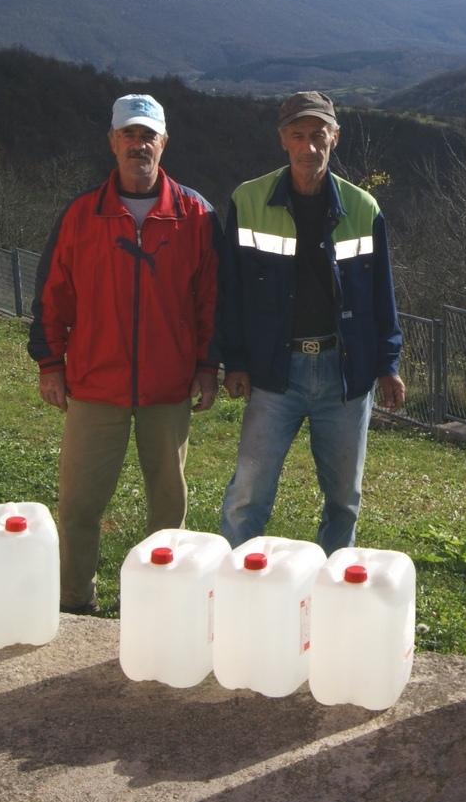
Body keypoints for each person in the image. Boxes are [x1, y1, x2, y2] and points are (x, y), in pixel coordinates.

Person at [29, 93, 219, 611]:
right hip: (95, 383)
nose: (140, 145)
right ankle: (74, 601)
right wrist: (51, 363)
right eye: (129, 135)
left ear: (164, 142)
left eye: (148, 135)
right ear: (113, 142)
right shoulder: (82, 214)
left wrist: (207, 366)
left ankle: (163, 604)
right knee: (79, 504)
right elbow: (53, 293)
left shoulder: (195, 215)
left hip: (168, 385)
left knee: (167, 504)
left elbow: (210, 300)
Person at [215, 90, 405, 553]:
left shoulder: (363, 209)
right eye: (298, 135)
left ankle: (332, 591)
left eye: (318, 134)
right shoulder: (249, 199)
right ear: (283, 140)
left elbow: (382, 294)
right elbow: (231, 292)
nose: (309, 146)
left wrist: (389, 363)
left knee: (345, 499)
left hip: (344, 375)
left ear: (334, 138)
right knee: (248, 495)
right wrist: (233, 360)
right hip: (273, 374)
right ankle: (237, 584)